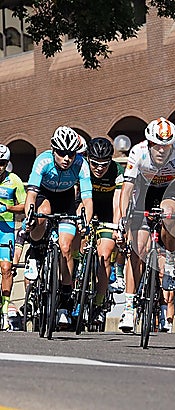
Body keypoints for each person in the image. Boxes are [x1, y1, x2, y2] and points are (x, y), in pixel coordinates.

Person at [118, 117, 175, 332]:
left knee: (170, 213)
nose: (162, 150)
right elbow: (127, 189)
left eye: (166, 146)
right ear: (149, 143)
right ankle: (129, 308)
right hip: (144, 193)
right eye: (157, 146)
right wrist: (124, 219)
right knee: (138, 249)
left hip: (170, 192)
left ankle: (169, 260)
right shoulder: (138, 152)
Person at [24, 126, 93, 327]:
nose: (66, 159)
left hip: (66, 200)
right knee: (42, 211)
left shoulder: (81, 164)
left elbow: (87, 199)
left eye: (71, 154)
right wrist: (30, 216)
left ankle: (64, 302)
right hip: (44, 195)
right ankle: (36, 252)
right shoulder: (43, 161)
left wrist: (86, 223)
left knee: (65, 247)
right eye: (62, 153)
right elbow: (32, 195)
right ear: (53, 150)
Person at [84, 137, 125, 324]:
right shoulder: (82, 168)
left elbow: (117, 203)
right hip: (87, 209)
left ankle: (100, 304)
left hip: (108, 214)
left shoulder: (117, 171)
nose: (99, 168)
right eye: (95, 164)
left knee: (104, 255)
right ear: (87, 159)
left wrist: (116, 227)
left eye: (104, 164)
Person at [0, 145, 26, 330]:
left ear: (7, 164)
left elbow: (24, 205)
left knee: (6, 268)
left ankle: (4, 306)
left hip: (6, 227)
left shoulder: (14, 180)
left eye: (2, 163)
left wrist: (8, 208)